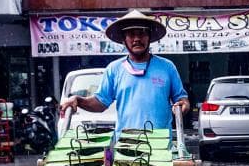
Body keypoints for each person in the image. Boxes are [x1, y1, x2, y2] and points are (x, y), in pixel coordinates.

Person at [60, 9, 189, 137]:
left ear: (149, 37)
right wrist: (78, 100)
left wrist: (183, 105)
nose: (137, 39)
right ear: (123, 40)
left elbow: (181, 99)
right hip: (126, 143)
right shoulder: (114, 69)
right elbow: (100, 103)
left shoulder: (167, 67)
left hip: (161, 142)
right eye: (131, 34)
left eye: (142, 33)